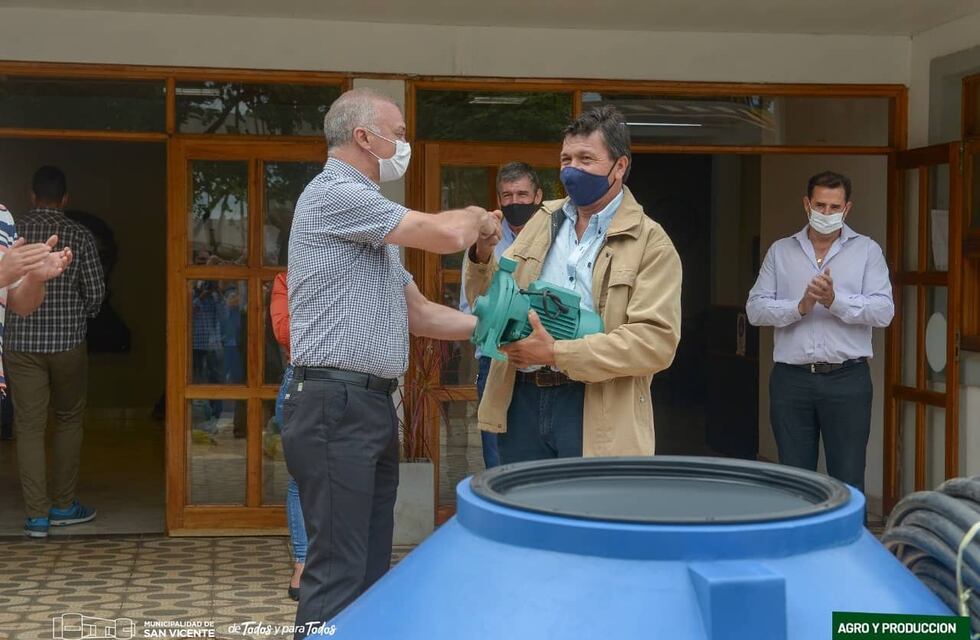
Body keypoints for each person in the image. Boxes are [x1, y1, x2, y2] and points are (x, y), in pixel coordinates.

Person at [281, 88, 501, 638]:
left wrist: (500, 329)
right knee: (336, 574)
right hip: (334, 402)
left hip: (370, 404)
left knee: (371, 570)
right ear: (363, 137)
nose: (403, 144)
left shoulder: (373, 221)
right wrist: (478, 216)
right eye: (398, 134)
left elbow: (421, 314)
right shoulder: (336, 193)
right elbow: (448, 234)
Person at [463, 106, 682, 463]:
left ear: (620, 166)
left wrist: (556, 353)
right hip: (522, 400)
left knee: (585, 512)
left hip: (594, 406)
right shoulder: (541, 221)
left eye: (586, 158)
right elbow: (490, 303)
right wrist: (482, 254)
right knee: (524, 512)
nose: (572, 169)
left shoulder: (651, 243)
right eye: (566, 158)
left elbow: (655, 343)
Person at [746, 171, 894, 493]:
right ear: (806, 204)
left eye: (834, 207)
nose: (826, 214)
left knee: (849, 476)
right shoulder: (781, 251)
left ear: (847, 208)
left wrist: (834, 301)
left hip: (847, 379)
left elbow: (884, 311)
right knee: (795, 481)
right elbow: (755, 309)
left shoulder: (867, 251)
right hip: (792, 380)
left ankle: (850, 542)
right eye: (820, 205)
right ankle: (798, 543)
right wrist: (799, 307)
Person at [3, 166, 101, 539]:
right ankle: (63, 505)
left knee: (27, 426)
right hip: (67, 343)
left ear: (31, 195)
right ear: (65, 199)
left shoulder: (15, 233)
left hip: (20, 344)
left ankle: (37, 517)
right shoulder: (79, 235)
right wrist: (80, 315)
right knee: (69, 418)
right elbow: (95, 293)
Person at [458, 161, 543, 469]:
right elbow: (470, 308)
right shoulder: (483, 244)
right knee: (499, 461)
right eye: (507, 195)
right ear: (499, 200)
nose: (515, 202)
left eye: (522, 194)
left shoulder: (555, 239)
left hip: (546, 365)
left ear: (538, 197)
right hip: (496, 365)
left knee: (542, 464)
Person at [269, 271, 306, 602]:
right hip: (302, 379)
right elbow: (284, 332)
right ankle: (303, 562)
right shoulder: (287, 280)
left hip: (352, 378)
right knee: (301, 477)